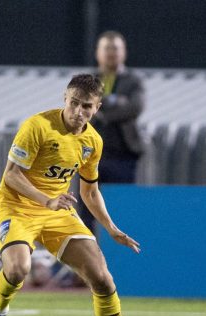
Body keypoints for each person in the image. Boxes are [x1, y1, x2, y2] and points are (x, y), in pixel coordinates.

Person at [0, 74, 149, 316]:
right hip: (18, 206)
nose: (78, 111)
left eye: (86, 106)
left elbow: (90, 190)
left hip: (58, 212)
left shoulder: (93, 141)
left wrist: (110, 227)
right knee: (18, 269)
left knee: (102, 278)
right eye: (74, 103)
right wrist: (46, 200)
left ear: (97, 108)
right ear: (64, 98)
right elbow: (12, 175)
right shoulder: (38, 126)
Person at [80, 31, 146, 234]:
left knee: (122, 210)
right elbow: (81, 107)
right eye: (106, 48)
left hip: (122, 156)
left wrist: (102, 108)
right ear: (98, 53)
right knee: (86, 211)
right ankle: (87, 260)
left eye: (115, 48)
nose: (111, 53)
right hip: (90, 157)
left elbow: (134, 107)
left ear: (123, 52)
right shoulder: (87, 80)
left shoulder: (133, 81)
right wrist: (116, 101)